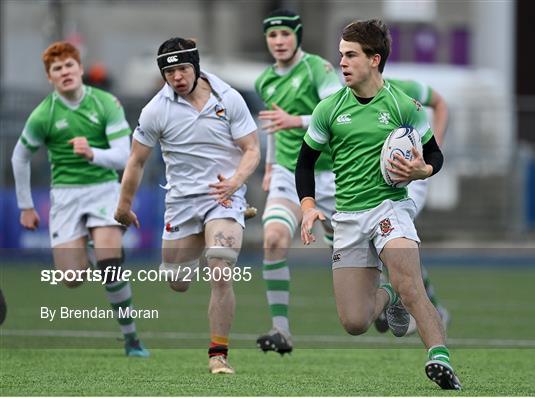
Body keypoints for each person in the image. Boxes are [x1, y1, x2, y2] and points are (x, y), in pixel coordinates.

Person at [295, 20, 461, 390]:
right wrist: (308, 206)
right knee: (354, 322)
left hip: (391, 208)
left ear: (375, 59)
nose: (342, 62)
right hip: (348, 216)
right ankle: (389, 296)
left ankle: (439, 358)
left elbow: (435, 152)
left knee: (411, 283)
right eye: (341, 55)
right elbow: (305, 161)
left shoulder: (404, 105)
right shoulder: (329, 109)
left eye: (350, 55)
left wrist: (423, 169)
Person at [114, 37, 260, 374]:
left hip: (224, 195)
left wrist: (237, 181)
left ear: (195, 67)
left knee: (221, 268)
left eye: (182, 68)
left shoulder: (229, 98)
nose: (177, 76)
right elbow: (136, 161)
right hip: (181, 201)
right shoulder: (155, 110)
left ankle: (218, 356)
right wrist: (123, 207)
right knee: (177, 281)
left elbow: (252, 149)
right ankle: (212, 232)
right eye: (169, 71)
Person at [10, 41, 149, 357]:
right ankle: (90, 245)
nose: (65, 72)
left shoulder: (106, 103)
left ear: (80, 69)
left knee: (110, 263)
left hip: (103, 189)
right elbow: (20, 157)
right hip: (66, 197)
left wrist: (92, 153)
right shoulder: (43, 114)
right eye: (57, 69)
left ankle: (132, 339)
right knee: (71, 279)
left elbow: (122, 156)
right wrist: (26, 206)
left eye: (69, 65)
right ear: (50, 78)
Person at [254, 9, 342, 355]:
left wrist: (297, 119)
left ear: (298, 36)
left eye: (285, 35)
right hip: (290, 173)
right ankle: (281, 330)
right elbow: (276, 124)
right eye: (272, 36)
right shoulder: (265, 80)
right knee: (273, 239)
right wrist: (270, 165)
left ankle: (381, 299)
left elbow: (338, 111)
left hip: (332, 174)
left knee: (347, 252)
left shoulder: (318, 69)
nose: (278, 41)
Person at [374, 78, 451, 335]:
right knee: (395, 245)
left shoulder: (404, 89)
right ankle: (432, 307)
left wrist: (433, 145)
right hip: (377, 184)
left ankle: (397, 299)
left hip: (412, 180)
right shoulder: (349, 98)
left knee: (393, 235)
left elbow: (440, 103)